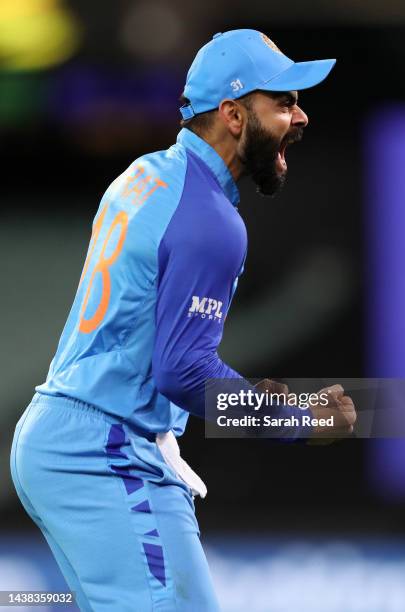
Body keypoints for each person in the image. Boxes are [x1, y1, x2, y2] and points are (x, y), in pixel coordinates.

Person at [10, 29, 355, 611]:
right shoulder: (210, 221)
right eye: (283, 102)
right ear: (233, 115)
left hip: (72, 437)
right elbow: (184, 374)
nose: (300, 116)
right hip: (104, 452)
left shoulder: (147, 174)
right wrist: (296, 417)